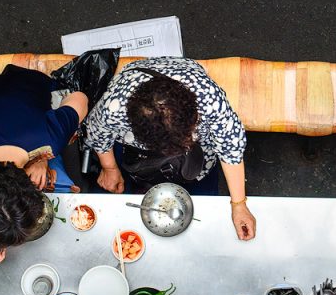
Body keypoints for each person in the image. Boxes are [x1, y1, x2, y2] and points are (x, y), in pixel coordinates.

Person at [84, 57, 256, 240]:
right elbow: (98, 132)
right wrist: (110, 168)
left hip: (197, 142)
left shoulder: (209, 99)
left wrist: (239, 204)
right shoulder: (115, 105)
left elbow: (231, 148)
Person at [0, 64, 88, 264]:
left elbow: (81, 98)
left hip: (29, 83)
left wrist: (43, 157)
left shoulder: (49, 140)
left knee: (70, 137)